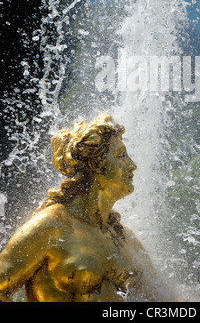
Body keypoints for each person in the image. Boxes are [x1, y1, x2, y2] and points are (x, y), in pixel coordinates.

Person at [0, 113, 173, 302]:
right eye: (121, 156)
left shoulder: (125, 239)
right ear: (95, 163)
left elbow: (164, 302)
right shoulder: (51, 226)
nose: (132, 165)